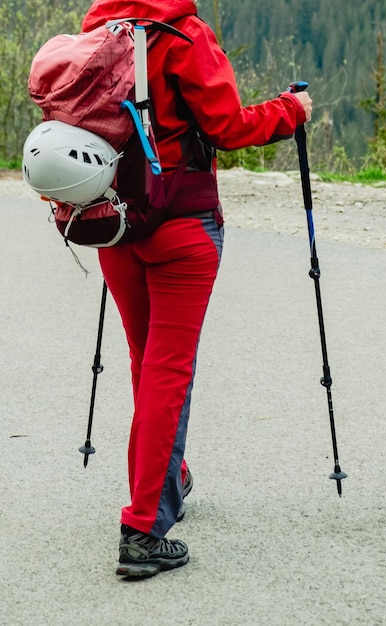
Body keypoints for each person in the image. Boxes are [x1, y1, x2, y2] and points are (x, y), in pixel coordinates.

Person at [81, 0, 312, 579]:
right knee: (168, 369)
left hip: (113, 221)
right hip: (183, 225)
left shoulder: (95, 30)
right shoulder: (184, 34)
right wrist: (291, 109)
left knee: (146, 360)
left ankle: (168, 475)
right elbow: (229, 127)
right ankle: (142, 529)